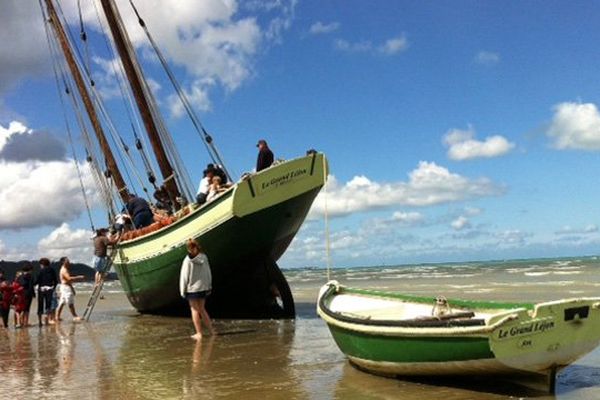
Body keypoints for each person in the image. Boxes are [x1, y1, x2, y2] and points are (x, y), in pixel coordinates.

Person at [179, 239, 215, 340]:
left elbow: (184, 276)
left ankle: (199, 333)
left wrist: (182, 290)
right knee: (202, 309)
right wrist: (209, 285)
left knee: (194, 310)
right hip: (203, 287)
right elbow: (208, 272)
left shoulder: (187, 260)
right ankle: (212, 331)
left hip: (192, 289)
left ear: (188, 248)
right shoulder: (204, 257)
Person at [55, 257, 85, 322]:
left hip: (65, 286)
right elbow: (69, 278)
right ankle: (75, 316)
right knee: (70, 302)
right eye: (67, 260)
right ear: (63, 262)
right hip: (65, 287)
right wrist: (79, 277)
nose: (69, 261)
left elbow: (68, 281)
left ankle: (57, 317)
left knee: (62, 302)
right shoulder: (64, 270)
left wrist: (72, 288)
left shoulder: (65, 269)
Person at [36, 258, 58, 326]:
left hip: (41, 289)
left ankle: (40, 321)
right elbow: (56, 281)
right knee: (48, 305)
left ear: (42, 264)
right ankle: (47, 319)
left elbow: (37, 280)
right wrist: (53, 288)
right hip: (49, 289)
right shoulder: (52, 270)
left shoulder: (40, 271)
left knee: (40, 305)